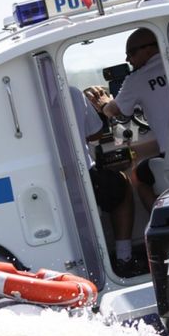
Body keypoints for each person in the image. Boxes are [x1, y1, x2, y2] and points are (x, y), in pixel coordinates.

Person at [85, 28, 169, 210]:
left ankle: (161, 225)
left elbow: (113, 111)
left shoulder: (137, 79)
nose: (128, 60)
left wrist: (102, 102)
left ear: (149, 49)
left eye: (131, 53)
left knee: (137, 177)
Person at [69, 86, 146, 277]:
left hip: (59, 181)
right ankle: (124, 258)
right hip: (84, 173)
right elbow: (94, 133)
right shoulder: (71, 92)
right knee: (122, 184)